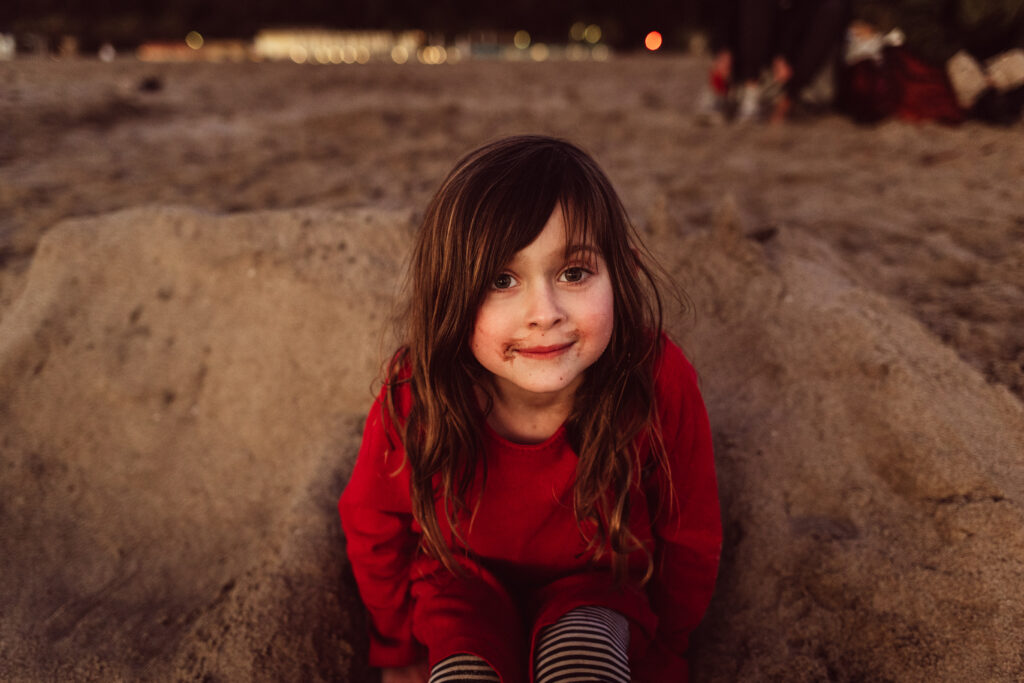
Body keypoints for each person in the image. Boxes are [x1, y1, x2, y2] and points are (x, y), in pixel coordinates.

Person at [338, 136, 721, 683]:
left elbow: (690, 534)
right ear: (452, 294)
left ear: (620, 273)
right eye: (502, 280)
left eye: (574, 273)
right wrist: (399, 648)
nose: (544, 313)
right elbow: (374, 523)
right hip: (458, 587)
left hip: (599, 587)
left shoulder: (653, 377)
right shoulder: (419, 390)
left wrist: (668, 647)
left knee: (583, 661)